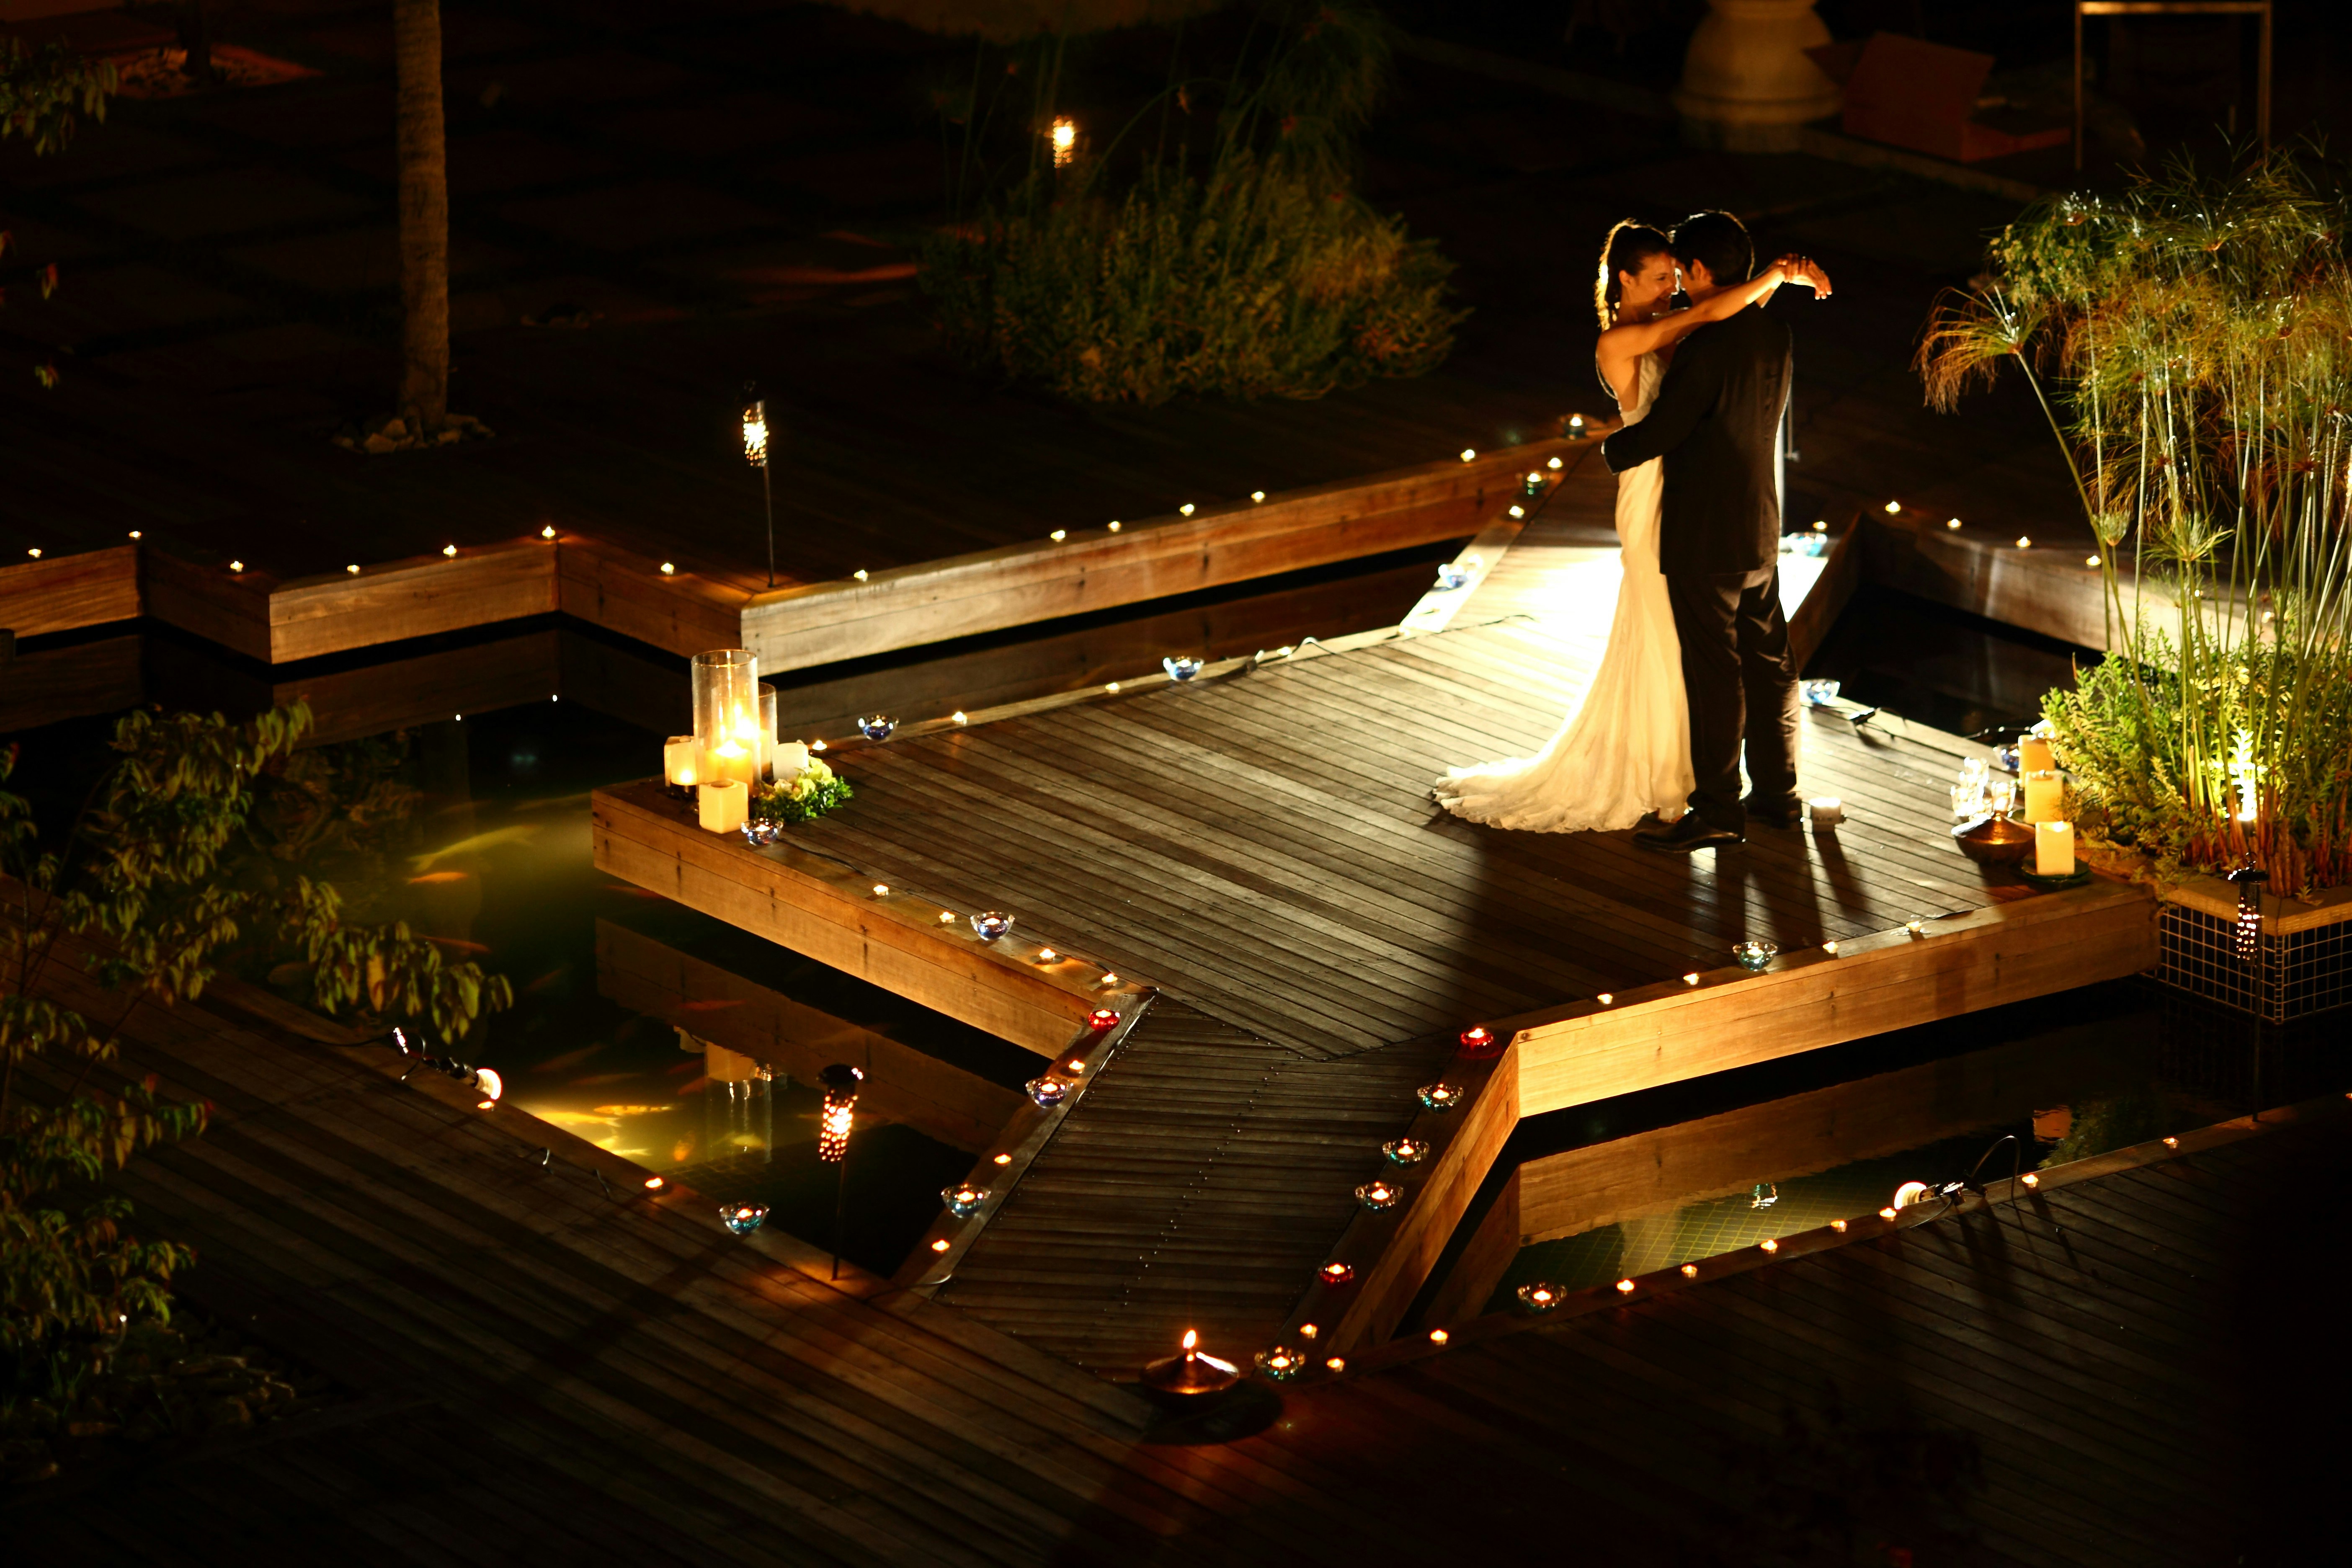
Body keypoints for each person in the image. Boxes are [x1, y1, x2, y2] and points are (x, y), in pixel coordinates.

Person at [1432, 217, 1827, 834]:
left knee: (1700, 649)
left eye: (1677, 275)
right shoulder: (1623, 342)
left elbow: (1718, 318)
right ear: (1623, 281)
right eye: (1660, 277)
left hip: (1697, 495)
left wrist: (1776, 277)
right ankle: (1687, 777)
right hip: (1661, 494)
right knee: (1681, 637)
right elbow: (1709, 318)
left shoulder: (1708, 325)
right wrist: (1775, 276)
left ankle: (1701, 784)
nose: (1672, 288)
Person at [1600, 209, 1813, 853]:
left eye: (1678, 274)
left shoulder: (1703, 347)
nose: (1675, 287)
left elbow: (1667, 432)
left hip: (1703, 534)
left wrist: (1612, 452)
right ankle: (1780, 798)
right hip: (1759, 527)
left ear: (1695, 271)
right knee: (1771, 665)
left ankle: (1720, 810)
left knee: (1716, 673)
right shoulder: (1774, 334)